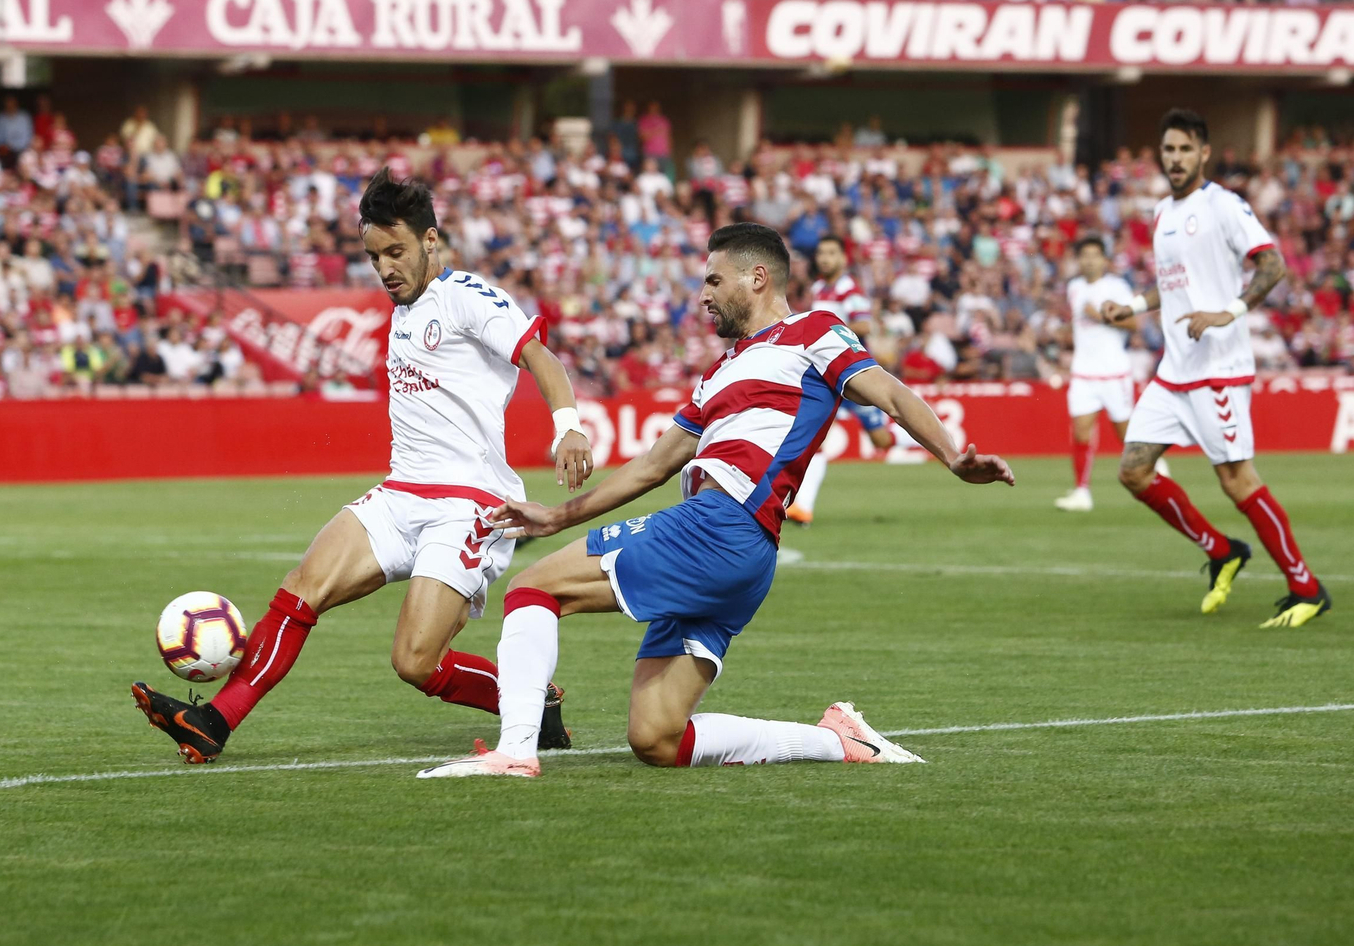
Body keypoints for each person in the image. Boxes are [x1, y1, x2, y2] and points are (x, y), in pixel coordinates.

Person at [416, 223, 1013, 779]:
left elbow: (890, 393)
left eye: (713, 280)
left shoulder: (813, 332)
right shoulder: (716, 375)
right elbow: (652, 465)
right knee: (656, 738)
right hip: (742, 555)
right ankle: (839, 740)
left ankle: (516, 750)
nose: (702, 295)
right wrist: (555, 516)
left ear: (757, 278)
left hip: (721, 524)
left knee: (532, 590)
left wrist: (952, 456)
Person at [132, 169, 596, 762]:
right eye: (374, 256)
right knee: (301, 589)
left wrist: (568, 427)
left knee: (414, 662)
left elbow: (540, 357)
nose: (385, 268)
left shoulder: (467, 297)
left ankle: (533, 700)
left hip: (468, 506)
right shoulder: (402, 314)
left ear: (431, 240)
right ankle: (214, 722)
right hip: (400, 495)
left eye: (396, 251)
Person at [1100, 109, 1331, 629]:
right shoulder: (1162, 211)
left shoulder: (1224, 206)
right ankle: (1222, 549)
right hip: (1174, 369)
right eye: (1168, 150)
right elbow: (1174, 282)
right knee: (1134, 471)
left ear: (1204, 152)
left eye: (1185, 149)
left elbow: (1271, 263)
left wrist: (1229, 312)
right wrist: (1133, 307)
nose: (1175, 159)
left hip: (1218, 367)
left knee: (1236, 480)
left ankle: (1307, 587)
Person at [789, 235, 895, 526]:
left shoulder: (850, 289)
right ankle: (802, 508)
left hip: (854, 372)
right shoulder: (819, 288)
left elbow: (864, 324)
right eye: (821, 253)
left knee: (880, 439)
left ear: (843, 259)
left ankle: (915, 434)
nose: (825, 258)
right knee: (813, 436)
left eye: (832, 253)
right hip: (826, 373)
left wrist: (828, 329)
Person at [1054, 235, 1148, 512]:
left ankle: (1151, 466)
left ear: (1105, 260)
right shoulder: (1074, 287)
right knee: (1081, 432)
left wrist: (1100, 316)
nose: (1089, 260)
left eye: (1095, 255)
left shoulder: (1117, 287)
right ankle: (1082, 492)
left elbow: (1133, 324)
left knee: (1125, 432)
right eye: (1084, 255)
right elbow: (1078, 328)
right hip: (1083, 371)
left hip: (1114, 371)